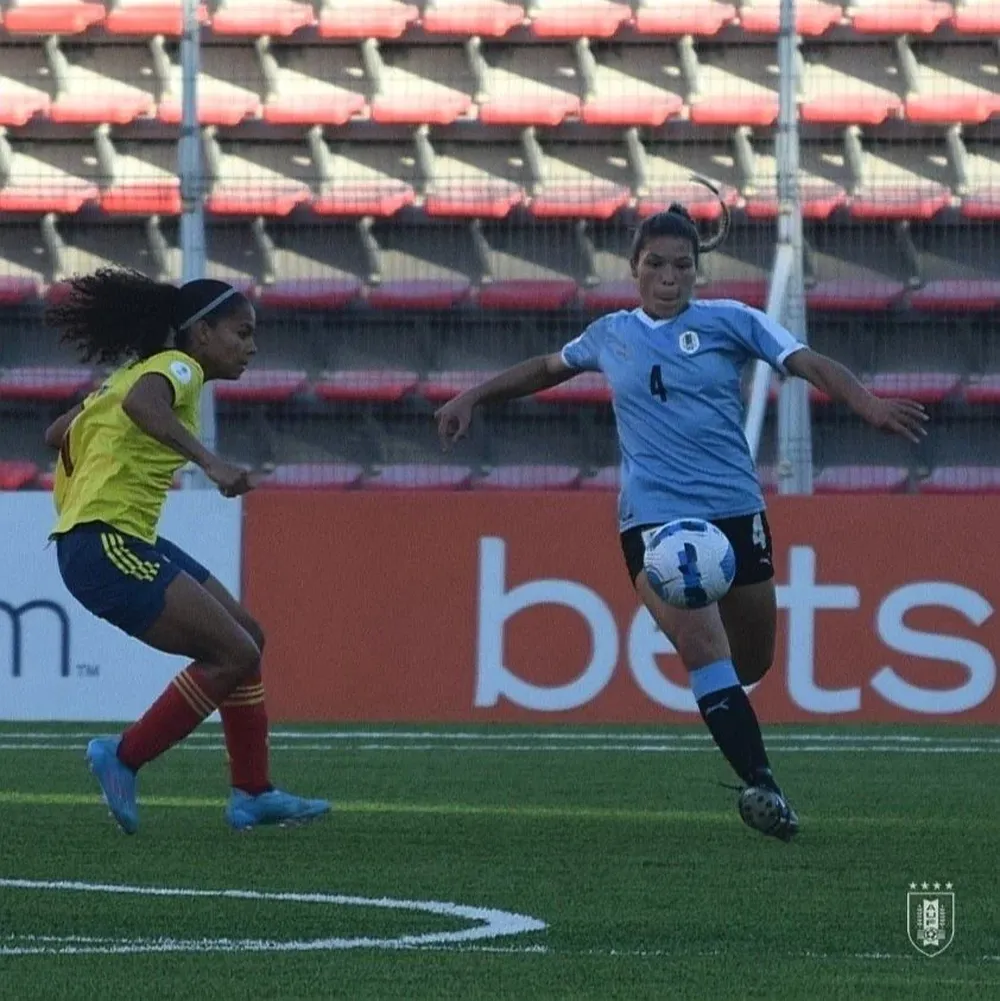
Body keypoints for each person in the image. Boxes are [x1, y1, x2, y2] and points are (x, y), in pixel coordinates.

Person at [435, 185, 927, 841]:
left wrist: (864, 402)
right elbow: (547, 368)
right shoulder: (611, 334)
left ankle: (746, 745)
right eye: (655, 265)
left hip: (734, 515)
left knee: (751, 663)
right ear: (633, 267)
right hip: (654, 523)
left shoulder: (732, 321)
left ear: (698, 269)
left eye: (681, 266)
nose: (668, 278)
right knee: (701, 645)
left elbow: (805, 360)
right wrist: (474, 394)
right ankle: (764, 784)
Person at [43, 267, 330, 835]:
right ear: (200, 334)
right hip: (105, 542)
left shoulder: (128, 376)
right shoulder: (179, 368)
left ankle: (252, 791)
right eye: (241, 333)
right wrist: (209, 461)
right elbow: (142, 408)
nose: (251, 346)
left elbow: (57, 432)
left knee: (248, 637)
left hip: (121, 537)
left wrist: (98, 432)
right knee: (232, 653)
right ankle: (123, 756)